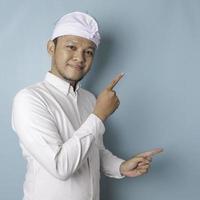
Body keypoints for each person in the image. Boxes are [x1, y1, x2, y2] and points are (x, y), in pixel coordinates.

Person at [11, 11, 163, 200]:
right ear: (51, 47)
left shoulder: (89, 99)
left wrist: (121, 167)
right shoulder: (30, 99)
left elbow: (93, 152)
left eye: (88, 52)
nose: (80, 57)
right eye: (71, 47)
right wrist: (99, 115)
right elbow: (60, 166)